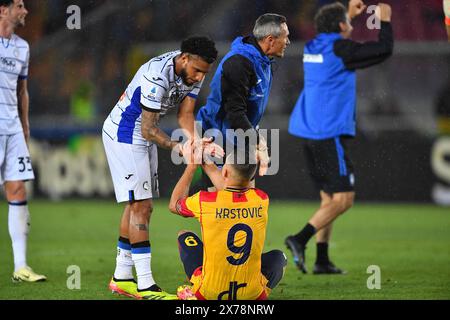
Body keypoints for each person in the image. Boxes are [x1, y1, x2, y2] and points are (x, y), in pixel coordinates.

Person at [102, 36, 218, 300]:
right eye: (197, 70)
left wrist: (196, 142)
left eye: (204, 72)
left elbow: (185, 115)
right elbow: (148, 129)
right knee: (142, 206)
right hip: (126, 133)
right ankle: (145, 285)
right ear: (184, 58)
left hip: (141, 136)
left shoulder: (192, 75)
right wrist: (179, 147)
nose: (200, 77)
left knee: (137, 205)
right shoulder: (157, 75)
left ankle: (121, 277)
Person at [286, 1, 393, 274]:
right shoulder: (340, 49)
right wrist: (385, 21)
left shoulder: (313, 45)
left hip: (308, 131)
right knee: (344, 199)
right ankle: (299, 239)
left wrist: (349, 17)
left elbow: (337, 41)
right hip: (327, 132)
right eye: (346, 21)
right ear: (341, 26)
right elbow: (383, 50)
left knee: (329, 200)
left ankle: (322, 260)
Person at [168, 142, 287, 300]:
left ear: (224, 171)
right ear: (252, 176)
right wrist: (203, 158)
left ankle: (194, 288)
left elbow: (174, 204)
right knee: (279, 257)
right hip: (252, 295)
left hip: (207, 294)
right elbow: (233, 183)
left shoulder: (205, 200)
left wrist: (192, 165)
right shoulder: (261, 199)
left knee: (184, 234)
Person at [196, 13, 290, 180]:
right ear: (270, 40)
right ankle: (182, 203)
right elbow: (235, 113)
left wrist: (254, 138)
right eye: (285, 37)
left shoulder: (264, 61)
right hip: (217, 135)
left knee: (240, 198)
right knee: (225, 197)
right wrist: (259, 143)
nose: (288, 42)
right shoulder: (239, 63)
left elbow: (243, 112)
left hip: (237, 133)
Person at [0, 0, 46, 282]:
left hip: (13, 127)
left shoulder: (22, 47)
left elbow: (22, 90)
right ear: (2, 9)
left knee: (17, 190)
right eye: (19, 5)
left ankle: (21, 267)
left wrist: (25, 126)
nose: (25, 11)